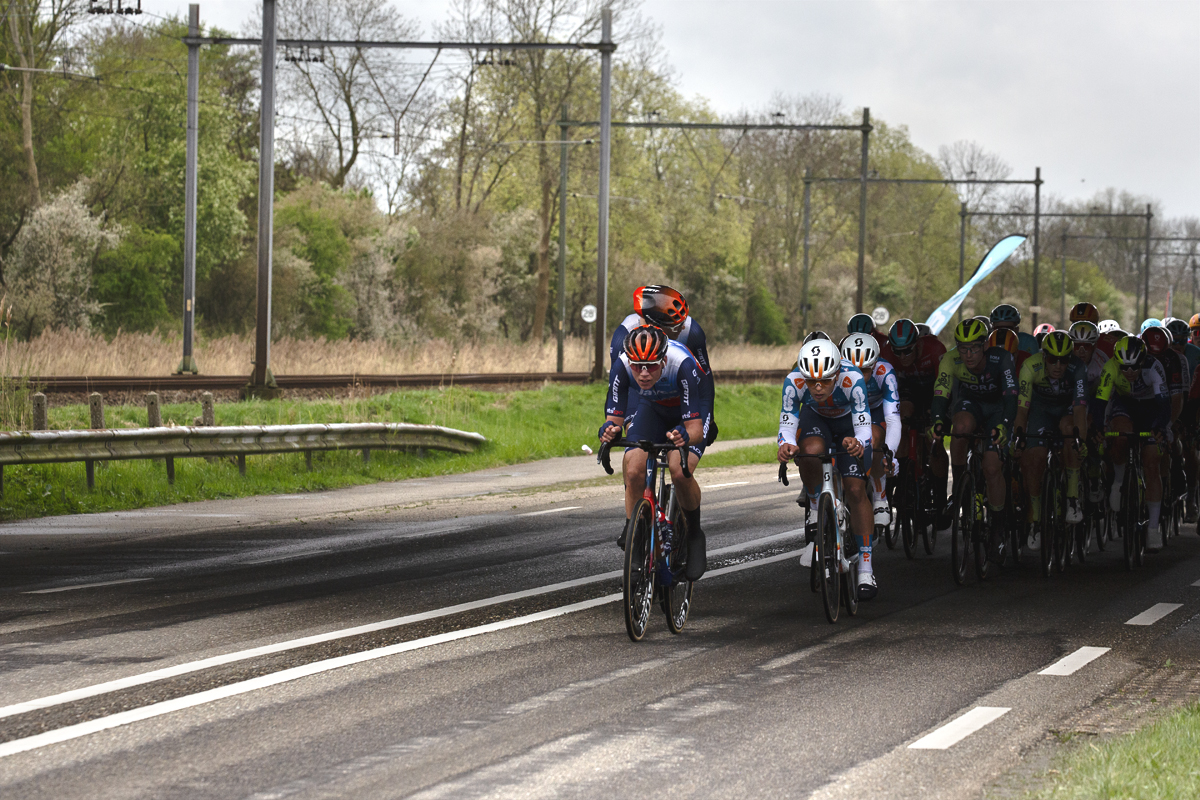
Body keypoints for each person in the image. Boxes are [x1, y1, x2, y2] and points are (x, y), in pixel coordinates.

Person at [600, 325, 709, 578]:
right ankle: (636, 536)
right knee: (634, 466)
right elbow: (614, 421)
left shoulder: (682, 364)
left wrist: (683, 435)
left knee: (679, 471)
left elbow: (695, 429)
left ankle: (694, 534)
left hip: (691, 407)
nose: (644, 373)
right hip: (653, 405)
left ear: (664, 359)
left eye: (651, 365)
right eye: (638, 366)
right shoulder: (622, 365)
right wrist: (608, 432)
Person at [777, 338, 878, 599]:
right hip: (816, 420)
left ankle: (866, 567)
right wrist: (786, 445)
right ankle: (814, 508)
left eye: (824, 381)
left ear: (837, 374)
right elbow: (787, 425)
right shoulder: (794, 381)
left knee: (856, 490)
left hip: (848, 425)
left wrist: (859, 443)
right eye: (811, 381)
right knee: (808, 452)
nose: (818, 387)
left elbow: (864, 425)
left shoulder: (852, 378)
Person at [930, 318, 1019, 563]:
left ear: (985, 346)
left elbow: (1012, 397)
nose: (968, 355)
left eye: (974, 348)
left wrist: (1005, 425)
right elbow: (942, 391)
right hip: (971, 404)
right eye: (963, 348)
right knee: (959, 428)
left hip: (999, 409)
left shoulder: (1001, 359)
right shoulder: (950, 359)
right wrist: (937, 420)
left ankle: (999, 526)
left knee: (992, 467)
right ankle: (960, 488)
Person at [610, 284, 717, 446]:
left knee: (681, 465)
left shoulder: (692, 331)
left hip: (684, 391)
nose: (682, 327)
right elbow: (621, 385)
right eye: (675, 326)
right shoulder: (625, 335)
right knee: (636, 441)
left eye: (683, 322)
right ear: (655, 326)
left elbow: (705, 379)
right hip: (645, 394)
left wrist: (709, 419)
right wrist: (629, 422)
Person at [1094, 336, 1169, 552]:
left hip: (1151, 408)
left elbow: (1164, 406)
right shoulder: (1110, 367)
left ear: (1143, 361)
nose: (1129, 371)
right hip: (1125, 405)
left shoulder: (1154, 367)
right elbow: (1100, 402)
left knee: (1152, 462)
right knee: (1120, 436)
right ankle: (1118, 482)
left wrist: (1159, 427)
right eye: (1124, 367)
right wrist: (1099, 427)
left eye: (1135, 366)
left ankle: (1153, 528)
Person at [1013, 331, 1089, 526]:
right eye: (1053, 359)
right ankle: (1035, 519)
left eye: (1063, 361)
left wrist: (1081, 441)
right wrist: (1019, 436)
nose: (1058, 366)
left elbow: (1080, 409)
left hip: (1067, 410)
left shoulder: (1078, 368)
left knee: (1070, 431)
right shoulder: (1030, 366)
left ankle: (1072, 499)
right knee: (1035, 459)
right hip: (1041, 411)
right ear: (1044, 356)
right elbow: (1022, 408)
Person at [882, 318, 949, 513]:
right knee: (901, 420)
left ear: (918, 343)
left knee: (933, 442)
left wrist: (935, 416)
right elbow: (888, 390)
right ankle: (903, 479)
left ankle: (940, 496)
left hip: (934, 391)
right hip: (908, 391)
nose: (902, 356)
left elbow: (943, 388)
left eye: (908, 350)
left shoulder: (935, 349)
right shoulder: (887, 354)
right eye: (897, 351)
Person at [841, 333, 901, 531]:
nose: (858, 375)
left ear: (874, 364)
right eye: (853, 369)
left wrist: (890, 454)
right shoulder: (836, 372)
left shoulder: (885, 372)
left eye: (865, 370)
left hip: (874, 410)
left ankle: (880, 496)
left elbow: (893, 419)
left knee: (874, 440)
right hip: (847, 410)